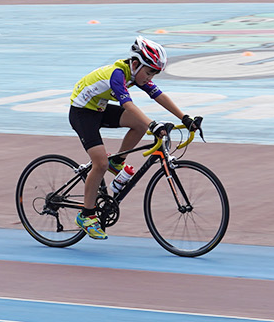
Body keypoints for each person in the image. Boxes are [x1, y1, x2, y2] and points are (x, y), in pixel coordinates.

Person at [66, 37, 194, 239]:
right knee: (99, 163)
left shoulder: (135, 74)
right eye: (149, 71)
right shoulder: (118, 74)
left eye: (154, 73)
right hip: (82, 113)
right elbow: (129, 106)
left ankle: (117, 161)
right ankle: (86, 215)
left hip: (98, 108)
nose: (150, 77)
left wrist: (186, 118)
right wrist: (154, 124)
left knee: (140, 124)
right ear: (135, 64)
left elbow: (158, 95)